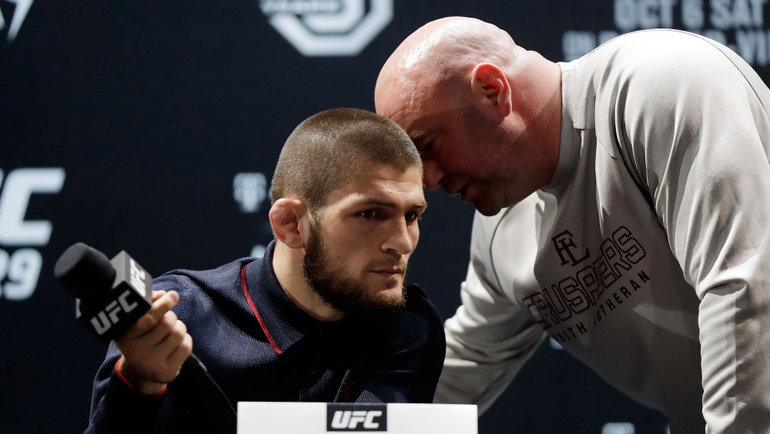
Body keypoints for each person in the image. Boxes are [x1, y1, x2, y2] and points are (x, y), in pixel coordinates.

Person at [374, 16, 770, 433]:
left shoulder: (661, 81)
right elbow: (464, 366)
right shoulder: (500, 232)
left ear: (492, 90)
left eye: (428, 145)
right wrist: (343, 421)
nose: (428, 182)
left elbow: (746, 281)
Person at [84, 107, 446, 433]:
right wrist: (140, 383)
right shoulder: (179, 317)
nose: (403, 242)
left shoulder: (408, 326)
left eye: (412, 215)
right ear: (290, 224)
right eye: (370, 214)